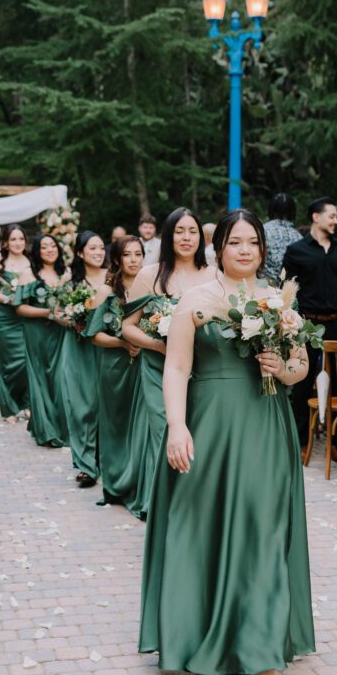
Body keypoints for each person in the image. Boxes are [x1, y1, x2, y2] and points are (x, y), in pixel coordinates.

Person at [138, 209, 314, 675]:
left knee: (263, 532)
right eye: (235, 241)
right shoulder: (195, 300)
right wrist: (177, 426)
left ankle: (264, 659)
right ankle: (199, 635)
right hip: (210, 425)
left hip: (265, 426)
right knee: (204, 528)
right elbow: (176, 367)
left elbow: (301, 365)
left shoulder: (279, 301)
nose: (244, 250)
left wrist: (283, 369)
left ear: (262, 249)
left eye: (252, 242)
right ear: (219, 248)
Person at [121, 208, 214, 519]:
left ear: (201, 237)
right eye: (179, 231)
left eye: (192, 231)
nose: (186, 238)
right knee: (165, 431)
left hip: (202, 369)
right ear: (168, 236)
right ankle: (162, 501)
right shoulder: (149, 275)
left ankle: (192, 501)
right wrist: (160, 345)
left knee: (196, 431)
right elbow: (128, 326)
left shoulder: (213, 275)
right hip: (158, 368)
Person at [282, 197, 337, 452]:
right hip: (308, 324)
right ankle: (300, 442)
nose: (336, 221)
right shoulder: (296, 250)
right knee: (302, 382)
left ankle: (336, 441)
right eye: (332, 216)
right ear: (315, 217)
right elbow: (287, 289)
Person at [83, 235, 144, 507]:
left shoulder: (150, 288)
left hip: (144, 364)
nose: (134, 260)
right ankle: (114, 482)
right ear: (117, 259)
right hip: (115, 367)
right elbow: (94, 335)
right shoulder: (107, 292)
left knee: (140, 424)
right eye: (127, 254)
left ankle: (138, 480)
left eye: (138, 254)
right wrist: (122, 342)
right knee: (115, 423)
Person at [57, 230, 108, 488]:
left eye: (101, 248)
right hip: (78, 348)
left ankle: (105, 459)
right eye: (92, 248)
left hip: (107, 347)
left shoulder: (113, 276)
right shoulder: (71, 280)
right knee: (81, 404)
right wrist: (74, 320)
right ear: (80, 252)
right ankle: (86, 465)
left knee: (105, 403)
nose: (98, 252)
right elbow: (57, 312)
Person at [15, 235, 70, 449]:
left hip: (61, 332)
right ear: (37, 251)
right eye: (44, 247)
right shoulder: (28, 274)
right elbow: (20, 307)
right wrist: (48, 313)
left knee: (60, 378)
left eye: (53, 246)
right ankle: (46, 430)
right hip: (37, 332)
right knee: (40, 377)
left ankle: (60, 425)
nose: (49, 250)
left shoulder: (66, 273)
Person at [0, 224, 31, 423]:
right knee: (9, 364)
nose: (18, 243)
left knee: (28, 361)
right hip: (6, 318)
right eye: (13, 239)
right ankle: (9, 408)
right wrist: (9, 299)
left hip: (28, 318)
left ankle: (28, 403)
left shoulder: (32, 261)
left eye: (21, 239)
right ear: (5, 242)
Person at [263, 193, 302, 284]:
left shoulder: (262, 230)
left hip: (264, 283)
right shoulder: (298, 236)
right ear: (292, 211)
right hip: (290, 286)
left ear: (271, 209)